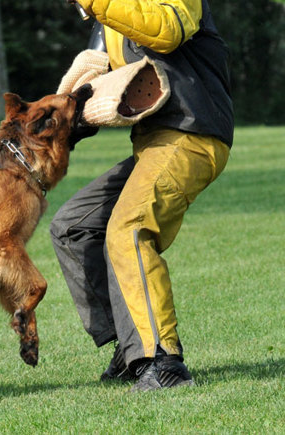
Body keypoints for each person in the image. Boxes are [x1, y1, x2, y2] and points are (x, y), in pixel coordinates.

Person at [50, 0, 233, 391]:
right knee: (74, 226)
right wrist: (46, 125)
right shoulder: (107, 19)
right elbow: (89, 76)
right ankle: (133, 344)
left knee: (129, 226)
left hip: (192, 136)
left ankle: (165, 363)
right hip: (152, 145)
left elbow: (165, 31)